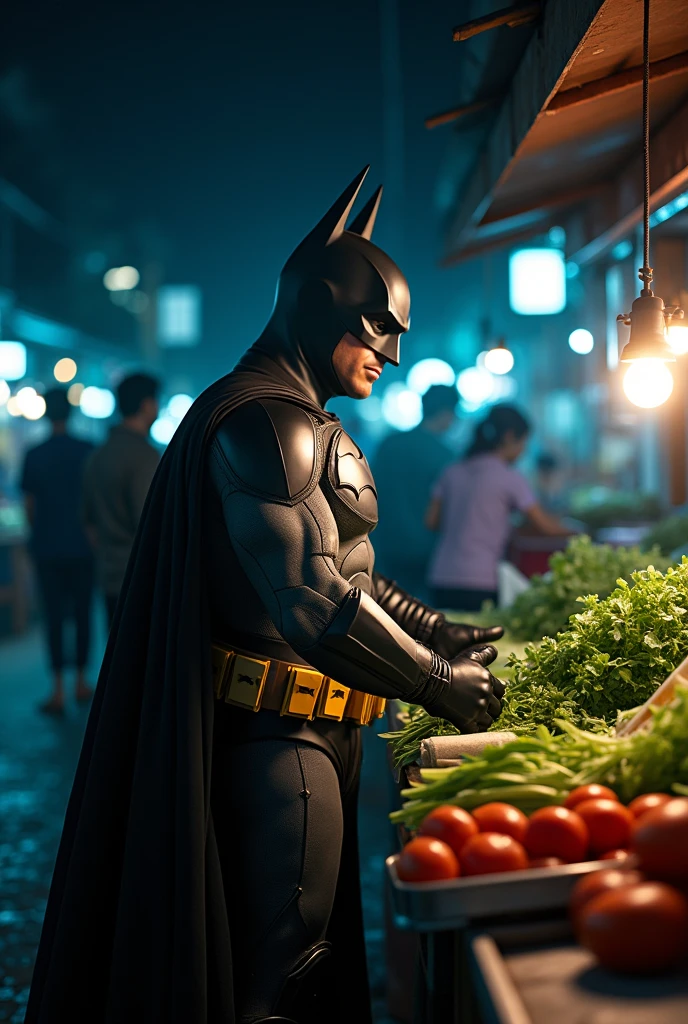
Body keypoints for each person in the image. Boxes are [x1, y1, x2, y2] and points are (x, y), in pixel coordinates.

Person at [26, 168, 504, 1024]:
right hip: (278, 740)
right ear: (321, 305)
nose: (390, 352)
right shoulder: (266, 423)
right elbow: (312, 601)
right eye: (377, 327)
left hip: (304, 732)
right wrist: (435, 678)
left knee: (290, 960)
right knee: (285, 971)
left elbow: (347, 568)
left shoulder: (277, 413)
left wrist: (436, 631)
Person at [426, 404, 571, 611]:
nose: (524, 450)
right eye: (524, 442)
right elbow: (545, 526)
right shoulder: (509, 477)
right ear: (510, 437)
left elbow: (431, 521)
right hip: (481, 582)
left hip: (440, 577)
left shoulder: (451, 471)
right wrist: (583, 532)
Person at [19, 388, 95, 713]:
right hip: (82, 546)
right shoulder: (87, 451)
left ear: (46, 413)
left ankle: (58, 690)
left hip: (47, 548)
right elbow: (93, 501)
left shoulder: (34, 454)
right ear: (71, 413)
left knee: (53, 618)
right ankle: (81, 681)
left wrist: (36, 534)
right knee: (82, 615)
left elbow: (30, 506)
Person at [82, 372, 160, 625]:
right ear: (146, 405)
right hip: (140, 578)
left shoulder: (98, 455)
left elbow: (89, 523)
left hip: (109, 574)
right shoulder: (145, 456)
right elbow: (149, 522)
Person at [372, 383, 458, 601]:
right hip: (426, 551)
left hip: (384, 545)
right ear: (447, 413)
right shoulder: (445, 456)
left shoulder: (389, 444)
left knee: (387, 611)